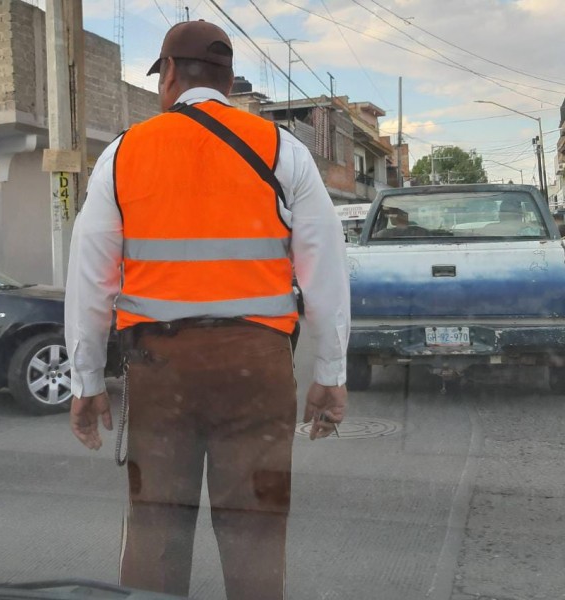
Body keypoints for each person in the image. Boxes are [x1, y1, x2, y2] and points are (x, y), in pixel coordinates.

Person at [64, 20, 350, 600]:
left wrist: (86, 380)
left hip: (160, 370)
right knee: (256, 532)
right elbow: (326, 271)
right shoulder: (282, 150)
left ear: (168, 74)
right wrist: (330, 376)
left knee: (155, 527)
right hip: (258, 370)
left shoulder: (123, 154)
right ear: (226, 78)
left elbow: (90, 281)